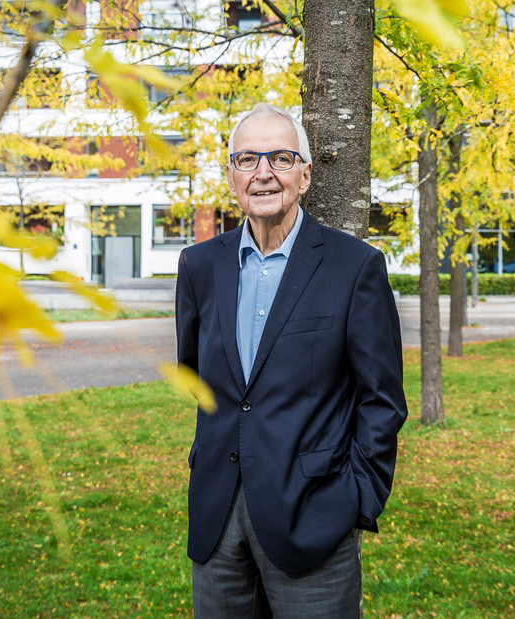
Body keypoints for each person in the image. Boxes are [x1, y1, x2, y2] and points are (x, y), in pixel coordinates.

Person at [175, 102, 408, 618]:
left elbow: (382, 399)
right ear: (231, 175)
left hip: (314, 519)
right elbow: (197, 379)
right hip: (217, 520)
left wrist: (357, 499)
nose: (263, 174)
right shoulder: (198, 266)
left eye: (280, 158)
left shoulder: (355, 267)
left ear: (304, 175)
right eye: (247, 159)